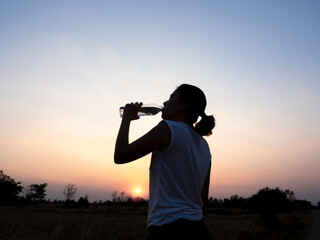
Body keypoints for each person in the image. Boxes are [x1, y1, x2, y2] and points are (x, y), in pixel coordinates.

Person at [114, 84, 215, 240]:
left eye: (171, 98)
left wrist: (126, 119)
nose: (165, 103)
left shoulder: (168, 128)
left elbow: (120, 156)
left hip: (168, 229)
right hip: (199, 229)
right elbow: (203, 201)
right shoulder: (204, 146)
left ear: (184, 104)